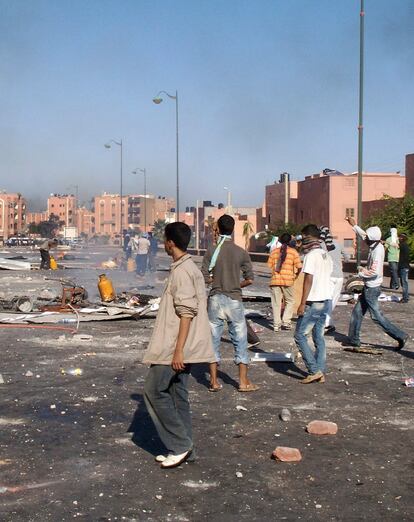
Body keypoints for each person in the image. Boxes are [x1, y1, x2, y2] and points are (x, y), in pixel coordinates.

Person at [143, 222, 216, 469]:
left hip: (174, 346)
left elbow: (186, 312)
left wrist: (178, 350)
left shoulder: (183, 272)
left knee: (154, 391)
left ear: (171, 242)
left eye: (165, 239)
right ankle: (187, 449)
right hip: (183, 345)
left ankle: (180, 445)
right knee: (177, 395)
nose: (164, 243)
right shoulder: (187, 267)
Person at [201, 214, 259, 392]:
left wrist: (216, 280)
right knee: (240, 340)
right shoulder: (241, 252)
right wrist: (235, 283)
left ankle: (214, 382)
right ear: (233, 229)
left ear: (218, 228)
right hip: (234, 299)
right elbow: (250, 279)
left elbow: (204, 276)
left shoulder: (211, 250)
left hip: (215, 299)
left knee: (213, 340)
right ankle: (243, 382)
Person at [345, 217, 408, 351]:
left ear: (372, 239)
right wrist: (354, 225)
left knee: (377, 317)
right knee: (357, 313)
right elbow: (364, 235)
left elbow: (375, 272)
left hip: (372, 288)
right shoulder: (374, 243)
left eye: (367, 237)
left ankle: (400, 335)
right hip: (369, 287)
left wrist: (360, 272)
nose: (365, 239)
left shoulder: (378, 251)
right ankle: (354, 339)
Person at [294, 224, 333, 384]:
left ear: (307, 236)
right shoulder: (325, 254)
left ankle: (313, 370)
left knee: (300, 335)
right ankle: (320, 370)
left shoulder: (311, 256)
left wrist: (302, 303)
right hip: (326, 300)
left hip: (314, 300)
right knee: (318, 337)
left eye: (303, 238)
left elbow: (308, 280)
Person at [267, 232, 302, 331]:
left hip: (275, 280)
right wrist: (295, 275)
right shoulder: (293, 252)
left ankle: (276, 325)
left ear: (280, 241)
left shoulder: (274, 252)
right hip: (288, 280)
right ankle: (286, 322)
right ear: (290, 241)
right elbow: (299, 266)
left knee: (276, 303)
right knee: (290, 301)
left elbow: (269, 266)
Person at [319, 226, 346, 334]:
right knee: (333, 300)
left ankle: (327, 322)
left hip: (328, 275)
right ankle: (327, 322)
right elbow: (347, 257)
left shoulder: (321, 245)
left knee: (327, 299)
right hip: (339, 275)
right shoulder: (338, 244)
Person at [385, 225, 400, 290]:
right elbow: (385, 247)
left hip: (397, 258)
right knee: (394, 271)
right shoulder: (388, 239)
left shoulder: (398, 240)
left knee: (393, 272)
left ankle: (392, 286)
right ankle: (397, 284)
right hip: (391, 258)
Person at [398, 233, 410, 303]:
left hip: (404, 267)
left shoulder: (403, 245)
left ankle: (405, 298)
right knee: (404, 282)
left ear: (402, 238)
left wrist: (385, 242)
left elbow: (395, 245)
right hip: (405, 267)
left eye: (399, 237)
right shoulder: (405, 245)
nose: (398, 238)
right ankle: (406, 296)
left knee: (404, 283)